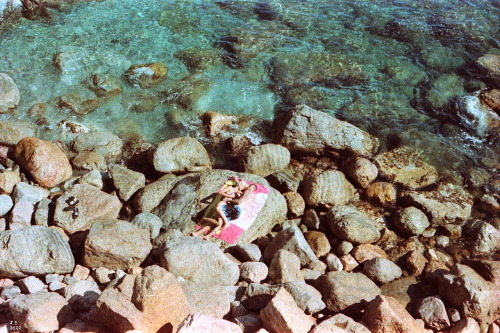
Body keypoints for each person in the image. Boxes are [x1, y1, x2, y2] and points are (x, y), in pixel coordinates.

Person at [192, 177, 256, 240]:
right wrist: (229, 195)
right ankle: (204, 228)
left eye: (246, 187)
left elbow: (240, 194)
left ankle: (203, 229)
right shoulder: (232, 189)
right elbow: (220, 192)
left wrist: (230, 196)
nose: (245, 188)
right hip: (226, 208)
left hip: (227, 209)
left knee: (218, 224)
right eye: (244, 186)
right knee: (218, 224)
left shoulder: (241, 193)